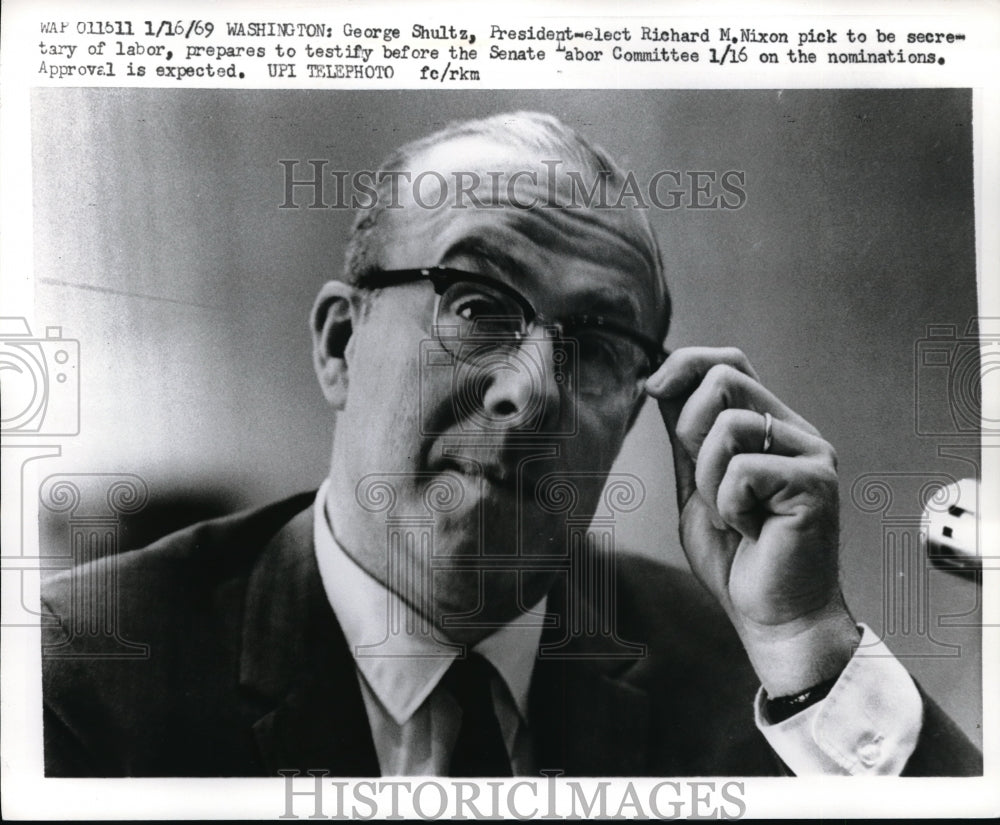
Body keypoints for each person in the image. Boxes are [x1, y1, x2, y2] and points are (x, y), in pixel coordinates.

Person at [41, 111, 981, 777]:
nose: (528, 395)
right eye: (478, 307)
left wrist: (805, 642)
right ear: (339, 346)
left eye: (600, 346)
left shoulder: (740, 671)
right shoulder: (75, 681)